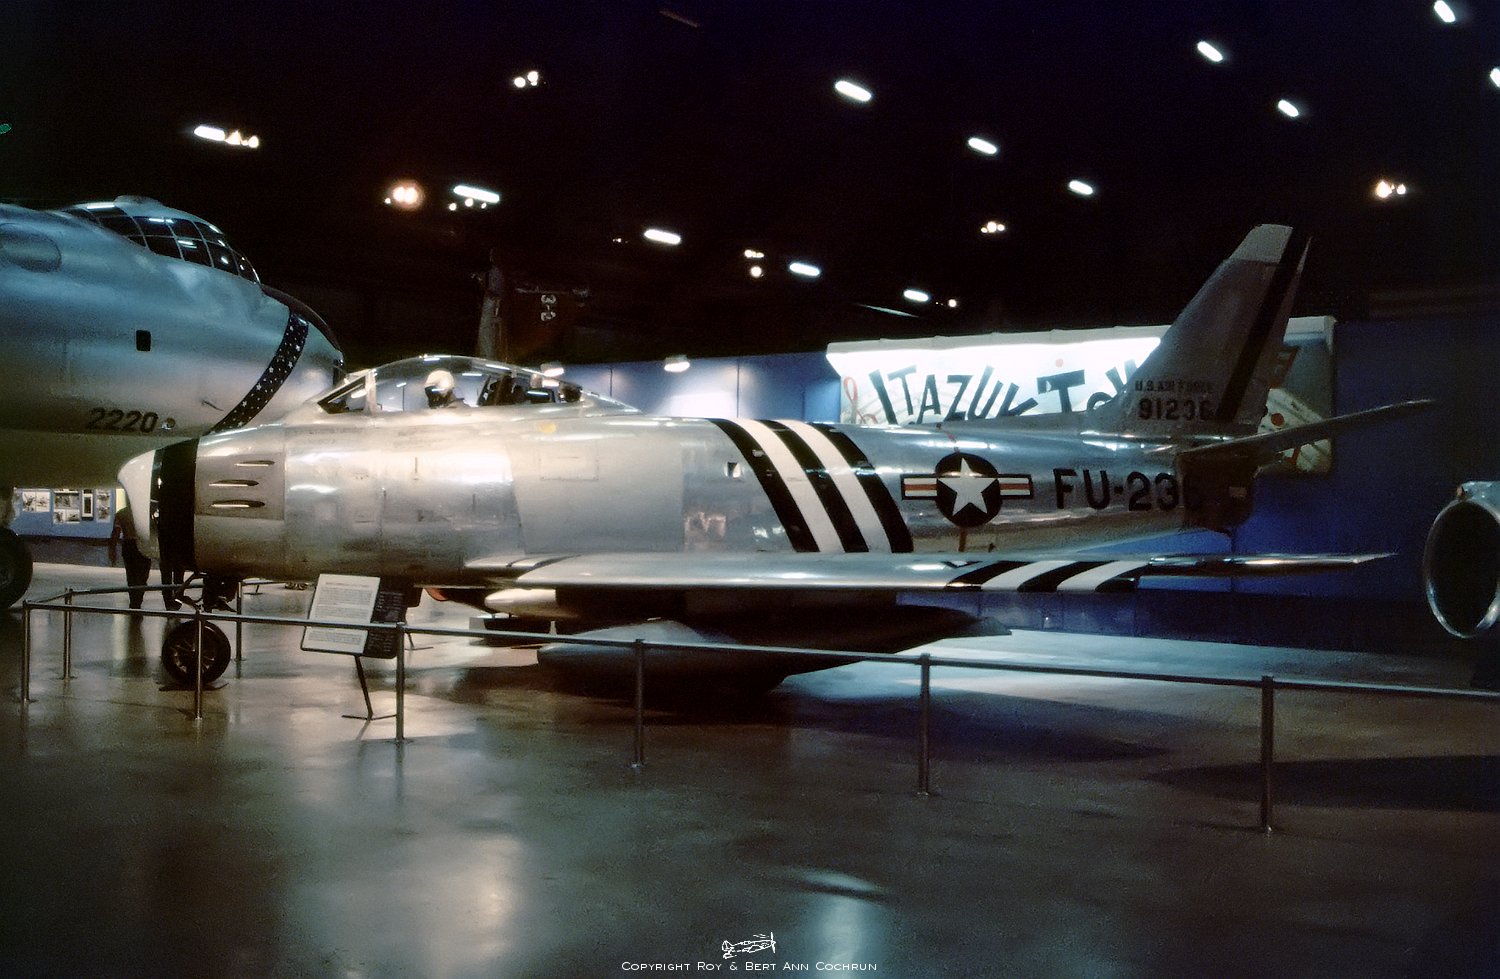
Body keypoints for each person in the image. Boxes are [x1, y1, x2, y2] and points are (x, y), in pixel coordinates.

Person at [108, 505, 151, 610]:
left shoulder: (121, 514)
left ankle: (134, 600)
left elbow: (116, 532)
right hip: (143, 545)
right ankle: (138, 599)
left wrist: (112, 550)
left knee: (131, 575)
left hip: (128, 545)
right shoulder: (145, 512)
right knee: (143, 575)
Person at [473, 247, 506, 361]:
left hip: (491, 302)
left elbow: (495, 291)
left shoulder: (496, 271)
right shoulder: (491, 271)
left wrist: (484, 287)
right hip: (489, 301)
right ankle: (485, 354)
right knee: (484, 328)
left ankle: (488, 355)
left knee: (486, 328)